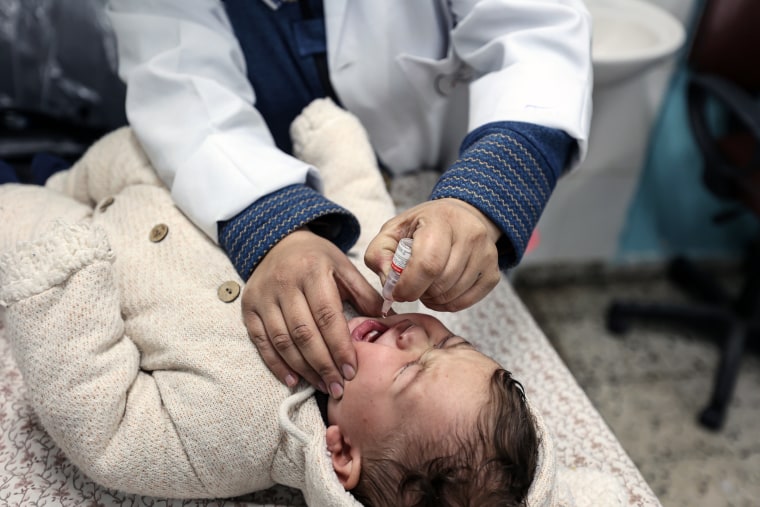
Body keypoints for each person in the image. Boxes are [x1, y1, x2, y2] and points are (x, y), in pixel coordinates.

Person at [0, 101, 543, 506]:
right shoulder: (374, 286)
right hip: (150, 168)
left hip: (61, 239)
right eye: (450, 341)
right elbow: (361, 201)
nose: (416, 335)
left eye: (411, 371)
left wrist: (63, 284)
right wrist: (336, 140)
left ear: (343, 454)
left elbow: (109, 430)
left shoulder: (236, 437)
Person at [104, 0, 595, 399]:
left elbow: (537, 34)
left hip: (432, 164)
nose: (409, 336)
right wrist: (273, 225)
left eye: (427, 362)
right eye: (443, 345)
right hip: (255, 182)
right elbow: (181, 93)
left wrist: (483, 197)